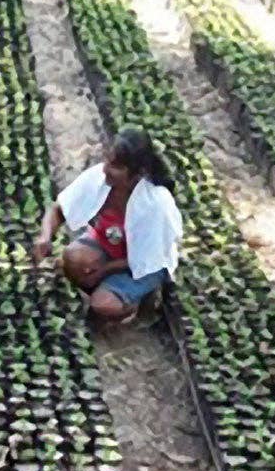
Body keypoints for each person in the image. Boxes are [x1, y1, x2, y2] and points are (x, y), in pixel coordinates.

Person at [32, 128, 183, 324]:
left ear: (138, 173)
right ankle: (108, 286)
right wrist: (45, 237)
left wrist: (104, 270)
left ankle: (135, 304)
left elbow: (146, 258)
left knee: (102, 305)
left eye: (116, 167)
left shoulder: (155, 203)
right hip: (110, 247)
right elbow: (58, 210)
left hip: (145, 264)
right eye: (108, 161)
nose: (106, 170)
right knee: (73, 258)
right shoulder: (99, 179)